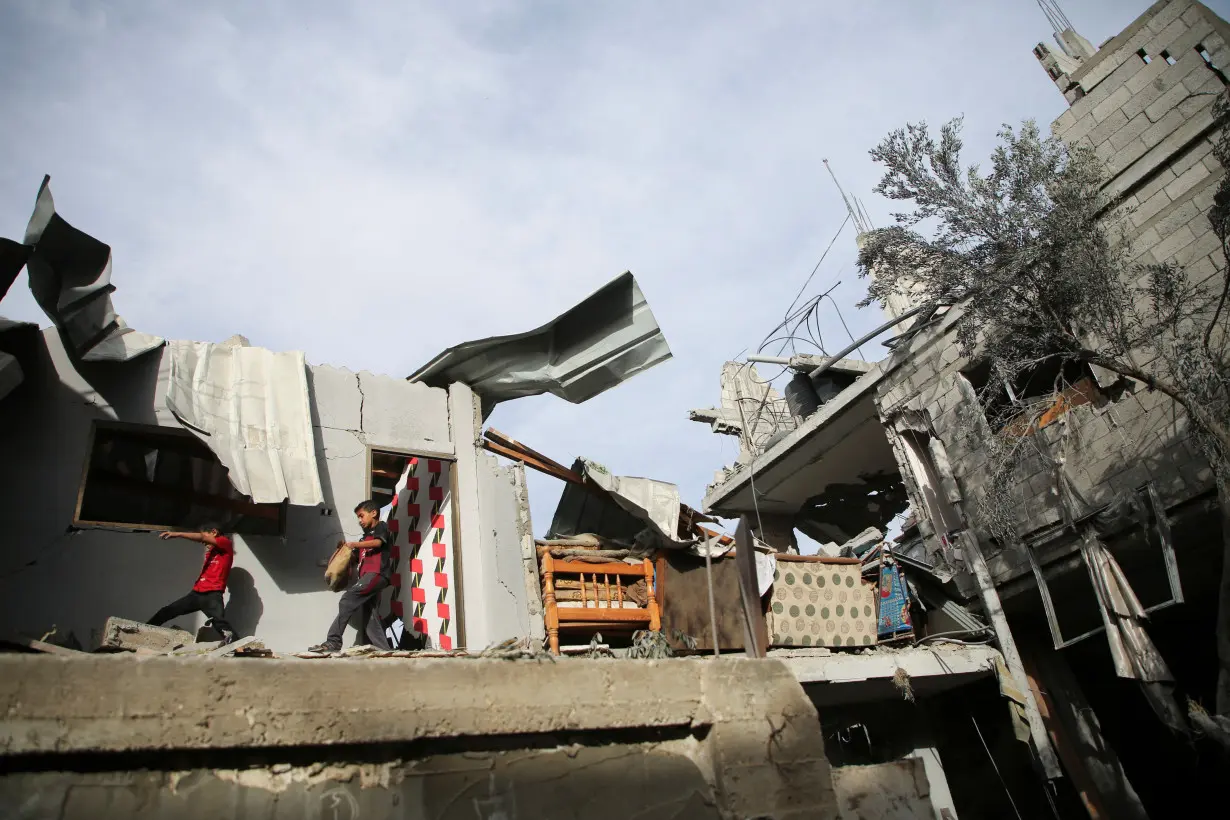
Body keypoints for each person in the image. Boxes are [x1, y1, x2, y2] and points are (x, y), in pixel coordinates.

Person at [308, 500, 394, 653]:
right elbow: (354, 558)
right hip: (368, 577)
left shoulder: (381, 527)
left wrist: (353, 544)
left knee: (347, 599)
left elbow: (379, 543)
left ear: (374, 513)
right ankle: (384, 650)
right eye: (358, 518)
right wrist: (342, 555)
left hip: (377, 574)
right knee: (369, 616)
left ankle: (333, 642)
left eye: (362, 516)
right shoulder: (364, 539)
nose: (360, 521)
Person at [148, 522, 238, 644]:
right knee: (166, 611)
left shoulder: (225, 543)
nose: (203, 542)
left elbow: (203, 537)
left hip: (212, 595)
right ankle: (145, 631)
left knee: (220, 624)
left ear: (214, 532)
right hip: (196, 594)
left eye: (205, 536)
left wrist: (177, 534)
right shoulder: (210, 552)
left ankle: (240, 649)